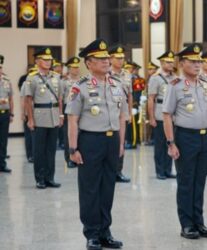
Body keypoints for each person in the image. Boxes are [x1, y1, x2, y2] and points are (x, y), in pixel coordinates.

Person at [66, 39, 127, 250]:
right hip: (90, 141)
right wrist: (73, 149)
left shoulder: (118, 85)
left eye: (106, 58)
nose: (106, 61)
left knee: (108, 187)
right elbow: (72, 119)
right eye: (100, 59)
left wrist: (120, 144)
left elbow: (122, 118)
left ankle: (105, 232)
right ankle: (91, 233)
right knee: (90, 188)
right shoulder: (79, 87)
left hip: (112, 141)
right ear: (89, 63)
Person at [163, 43, 207, 239]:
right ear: (181, 63)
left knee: (200, 182)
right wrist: (171, 143)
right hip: (185, 137)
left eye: (199, 61)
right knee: (186, 182)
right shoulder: (175, 86)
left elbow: (205, 108)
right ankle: (187, 224)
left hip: (205, 136)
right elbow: (166, 115)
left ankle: (199, 222)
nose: (198, 65)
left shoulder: (205, 84)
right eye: (193, 61)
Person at [24, 48, 63, 188]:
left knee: (51, 150)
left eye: (50, 59)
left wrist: (60, 114)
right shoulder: (32, 78)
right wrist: (30, 119)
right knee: (39, 151)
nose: (48, 62)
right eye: (45, 59)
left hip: (53, 116)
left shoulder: (56, 77)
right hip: (39, 116)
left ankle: (50, 177)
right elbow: (28, 100)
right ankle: (40, 179)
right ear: (37, 61)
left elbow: (60, 98)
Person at [148, 50, 176, 180]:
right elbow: (151, 99)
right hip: (159, 113)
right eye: (167, 62)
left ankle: (168, 169)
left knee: (170, 142)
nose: (170, 64)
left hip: (172, 115)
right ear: (161, 63)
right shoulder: (155, 78)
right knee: (160, 144)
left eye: (172, 61)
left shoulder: (175, 78)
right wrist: (152, 117)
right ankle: (160, 171)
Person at [109, 45, 132, 183]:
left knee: (121, 142)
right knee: (110, 143)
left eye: (122, 58)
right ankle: (110, 171)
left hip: (122, 113)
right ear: (110, 59)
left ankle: (119, 170)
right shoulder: (107, 74)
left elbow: (129, 95)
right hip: (110, 111)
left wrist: (129, 112)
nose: (121, 61)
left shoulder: (126, 74)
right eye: (117, 58)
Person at [62, 56, 81, 168]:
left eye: (77, 67)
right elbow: (61, 97)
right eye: (74, 67)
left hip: (79, 109)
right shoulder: (64, 82)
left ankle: (77, 157)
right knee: (68, 134)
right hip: (68, 108)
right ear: (69, 69)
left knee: (79, 134)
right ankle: (69, 158)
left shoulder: (82, 81)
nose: (76, 69)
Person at [19, 65, 37, 163]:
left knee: (35, 136)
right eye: (31, 72)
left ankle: (36, 154)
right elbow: (23, 100)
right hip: (28, 114)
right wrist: (23, 113)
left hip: (37, 114)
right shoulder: (25, 84)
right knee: (29, 136)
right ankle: (30, 155)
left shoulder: (38, 83)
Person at [0, 54, 14, 173]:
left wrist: (12, 113)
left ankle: (2, 164)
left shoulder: (7, 81)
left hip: (4, 114)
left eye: (0, 67)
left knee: (3, 140)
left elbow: (11, 99)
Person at [53, 59, 65, 150]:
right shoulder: (52, 78)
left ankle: (62, 142)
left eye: (60, 67)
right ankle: (55, 141)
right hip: (54, 104)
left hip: (63, 103)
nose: (58, 68)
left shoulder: (64, 78)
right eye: (56, 67)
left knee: (62, 125)